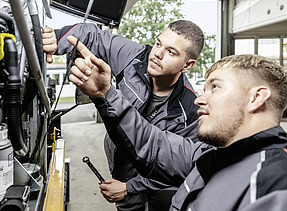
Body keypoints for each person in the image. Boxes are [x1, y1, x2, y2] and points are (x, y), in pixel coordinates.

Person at [68, 47, 287, 210]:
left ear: (256, 98)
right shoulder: (208, 157)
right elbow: (149, 143)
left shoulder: (283, 187)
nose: (199, 99)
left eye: (215, 87)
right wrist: (105, 94)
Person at [42, 20, 204, 210]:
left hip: (148, 178)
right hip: (118, 161)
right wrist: (57, 38)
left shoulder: (189, 110)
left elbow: (180, 168)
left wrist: (129, 187)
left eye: (171, 52)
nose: (157, 54)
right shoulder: (135, 57)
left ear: (187, 65)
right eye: (159, 43)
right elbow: (93, 34)